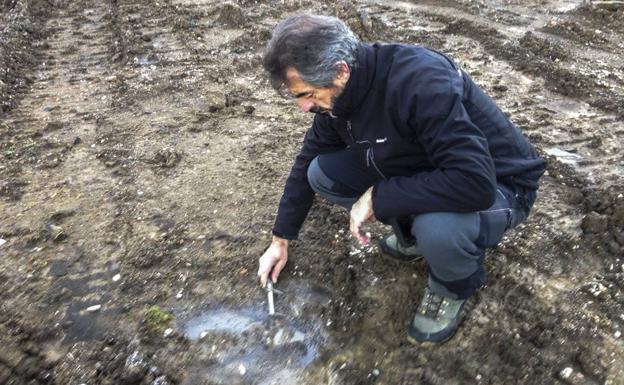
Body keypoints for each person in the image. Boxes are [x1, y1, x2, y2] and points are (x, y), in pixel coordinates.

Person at [257, 13, 545, 344]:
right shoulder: (339, 99)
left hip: (499, 183)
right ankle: (415, 236)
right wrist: (281, 239)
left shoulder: (420, 82)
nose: (304, 108)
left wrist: (380, 196)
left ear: (340, 70)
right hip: (435, 168)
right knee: (321, 173)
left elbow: (474, 184)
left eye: (306, 94)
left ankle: (454, 283)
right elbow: (308, 158)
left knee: (438, 228)